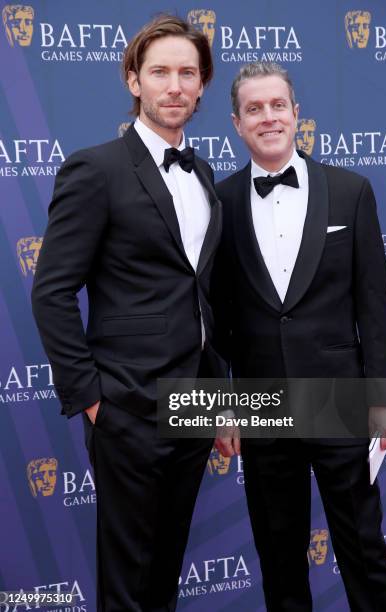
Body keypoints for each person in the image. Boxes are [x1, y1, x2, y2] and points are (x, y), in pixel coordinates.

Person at [31, 14, 226, 612]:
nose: (175, 85)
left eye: (187, 73)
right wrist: (94, 399)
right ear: (133, 80)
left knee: (165, 574)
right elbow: (51, 292)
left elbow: (203, 296)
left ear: (201, 85)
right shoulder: (96, 169)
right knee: (126, 588)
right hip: (127, 408)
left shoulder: (205, 175)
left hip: (194, 405)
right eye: (160, 71)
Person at [214, 62, 386, 611]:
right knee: (279, 558)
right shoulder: (219, 202)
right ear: (236, 122)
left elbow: (374, 302)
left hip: (339, 396)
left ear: (297, 114)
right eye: (254, 109)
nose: (268, 117)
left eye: (278, 105)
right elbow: (212, 311)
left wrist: (385, 396)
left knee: (363, 551)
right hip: (262, 402)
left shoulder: (350, 190)